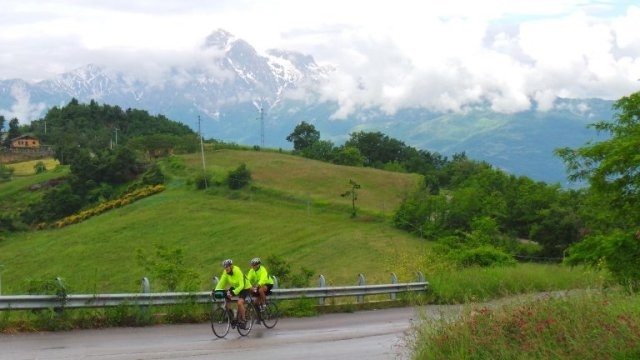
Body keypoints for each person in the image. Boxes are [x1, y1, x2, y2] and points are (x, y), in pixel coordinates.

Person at [214, 259, 252, 328]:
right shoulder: (225, 272)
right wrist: (216, 290)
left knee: (239, 303)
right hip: (235, 286)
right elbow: (221, 283)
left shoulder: (237, 271)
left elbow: (241, 285)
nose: (226, 269)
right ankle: (232, 318)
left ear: (231, 266)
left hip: (245, 287)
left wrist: (233, 292)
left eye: (227, 267)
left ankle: (244, 319)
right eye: (225, 267)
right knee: (227, 297)